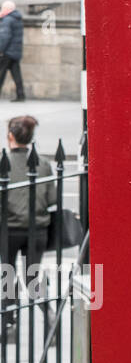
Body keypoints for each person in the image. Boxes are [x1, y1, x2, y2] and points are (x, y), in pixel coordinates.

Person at [1, 115, 56, 341]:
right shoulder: (42, 164)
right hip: (37, 230)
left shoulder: (3, 163)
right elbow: (52, 199)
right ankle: (48, 313)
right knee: (32, 274)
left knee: (8, 273)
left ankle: (8, 323)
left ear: (11, 136)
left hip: (9, 230)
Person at [0, 0, 24, 101]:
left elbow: (5, 37)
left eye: (3, 8)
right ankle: (21, 95)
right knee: (16, 74)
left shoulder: (8, 19)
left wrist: (0, 50)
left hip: (7, 52)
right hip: (16, 52)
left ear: (7, 9)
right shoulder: (17, 18)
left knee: (1, 74)